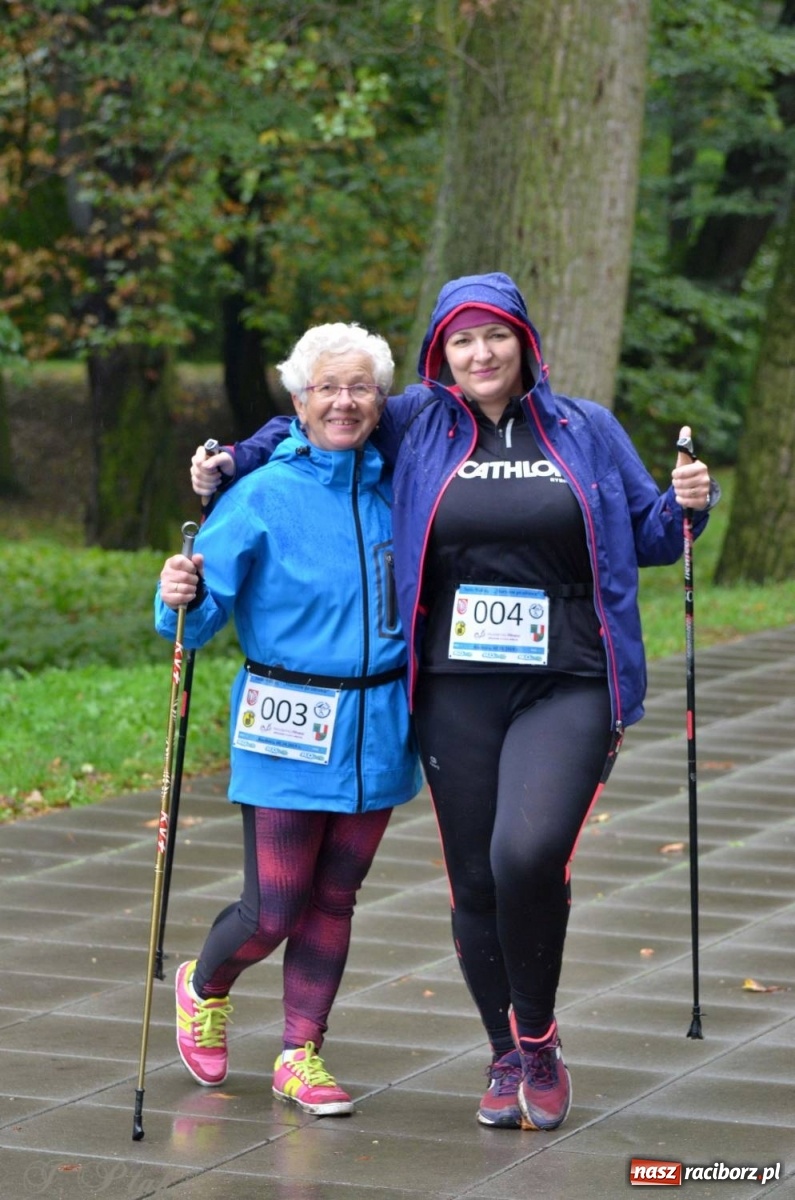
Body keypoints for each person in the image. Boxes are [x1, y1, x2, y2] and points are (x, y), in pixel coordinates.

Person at [189, 272, 718, 1132]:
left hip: (569, 680)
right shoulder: (416, 423)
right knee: (473, 876)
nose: (480, 353)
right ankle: (503, 1054)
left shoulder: (585, 429)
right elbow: (320, 418)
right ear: (441, 353)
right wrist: (232, 462)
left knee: (524, 853)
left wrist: (689, 505)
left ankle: (538, 1037)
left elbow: (652, 534)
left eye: (495, 336)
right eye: (462, 340)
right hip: (455, 686)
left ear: (524, 342)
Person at [156, 322, 420, 1117]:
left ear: (380, 402)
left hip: (378, 722)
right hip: (285, 720)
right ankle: (203, 986)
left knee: (334, 898)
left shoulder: (399, 489)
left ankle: (300, 1053)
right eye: (327, 389)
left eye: (360, 388)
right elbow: (194, 625)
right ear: (298, 403)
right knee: (274, 905)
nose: (344, 402)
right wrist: (179, 597)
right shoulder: (261, 492)